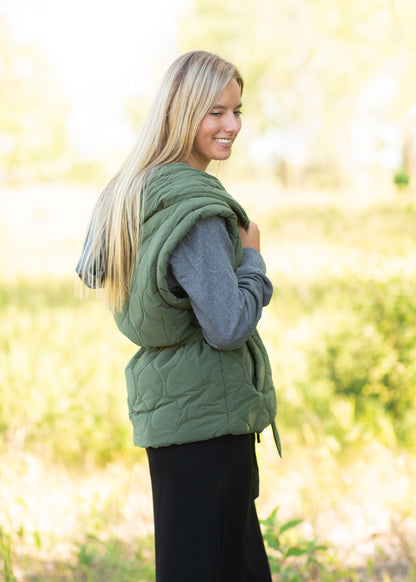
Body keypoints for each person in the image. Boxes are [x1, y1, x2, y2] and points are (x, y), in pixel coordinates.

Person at [76, 50, 281, 582]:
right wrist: (252, 259)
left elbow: (93, 269)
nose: (232, 126)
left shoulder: (131, 191)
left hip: (173, 418)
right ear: (180, 111)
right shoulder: (198, 211)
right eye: (216, 112)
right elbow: (228, 326)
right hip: (208, 424)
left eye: (238, 111)